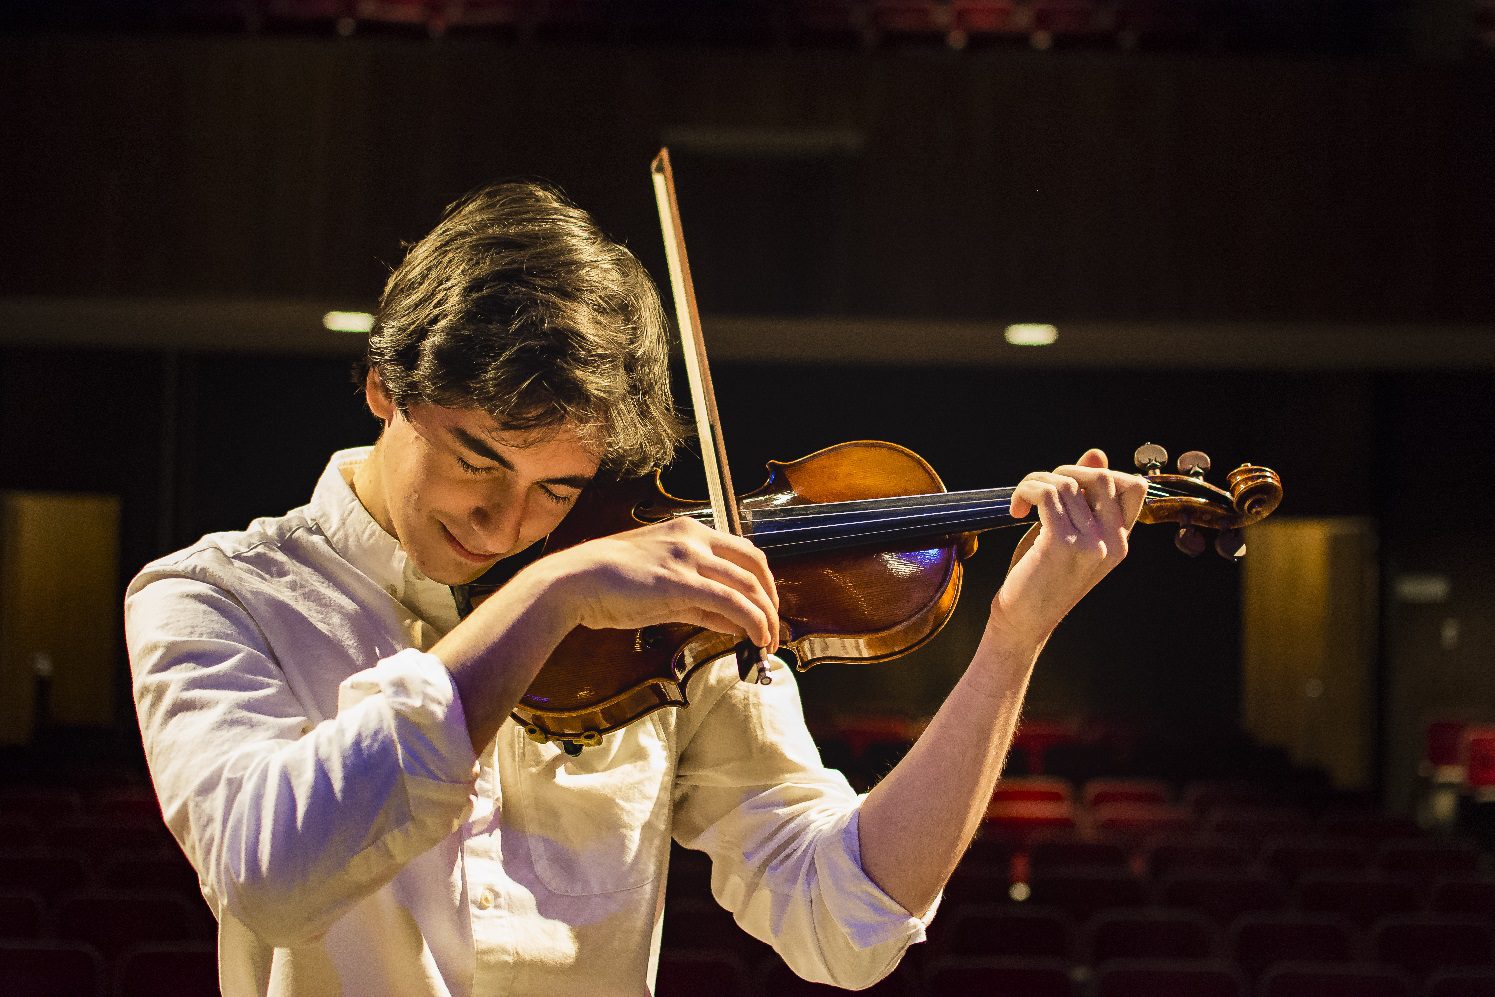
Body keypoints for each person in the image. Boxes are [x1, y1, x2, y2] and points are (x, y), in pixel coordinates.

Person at [125, 181, 1149, 996]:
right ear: (386, 384)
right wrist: (547, 600)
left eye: (558, 486)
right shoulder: (210, 597)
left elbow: (843, 921)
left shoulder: (658, 601)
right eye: (478, 459)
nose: (508, 522)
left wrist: (1011, 644)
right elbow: (268, 876)